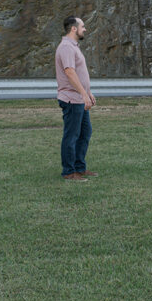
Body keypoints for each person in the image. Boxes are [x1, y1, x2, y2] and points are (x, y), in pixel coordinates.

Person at [55, 16, 97, 181]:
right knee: (71, 135)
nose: (84, 29)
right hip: (72, 99)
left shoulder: (74, 47)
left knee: (85, 132)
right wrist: (83, 94)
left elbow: (80, 73)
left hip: (80, 98)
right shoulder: (66, 47)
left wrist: (88, 92)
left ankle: (79, 168)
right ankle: (69, 172)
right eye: (82, 26)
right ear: (74, 28)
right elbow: (70, 72)